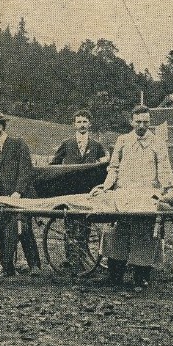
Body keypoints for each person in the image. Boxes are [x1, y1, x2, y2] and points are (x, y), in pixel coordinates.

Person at [90, 105, 173, 289]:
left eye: (146, 122)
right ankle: (115, 275)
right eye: (138, 122)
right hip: (124, 194)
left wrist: (167, 188)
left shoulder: (158, 143)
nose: (142, 126)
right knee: (116, 232)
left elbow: (165, 169)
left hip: (146, 195)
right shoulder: (123, 140)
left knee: (144, 234)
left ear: (150, 122)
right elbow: (113, 168)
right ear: (131, 121)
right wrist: (106, 186)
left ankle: (141, 277)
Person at [0, 113, 42, 276]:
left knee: (22, 229)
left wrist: (18, 192)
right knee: (2, 232)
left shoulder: (18, 144)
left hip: (20, 197)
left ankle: (34, 265)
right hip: (1, 199)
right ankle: (7, 268)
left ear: (0, 127)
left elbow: (26, 170)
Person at [50, 109, 109, 271]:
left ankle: (82, 259)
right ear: (74, 124)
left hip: (88, 192)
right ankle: (70, 260)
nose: (82, 125)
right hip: (69, 191)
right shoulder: (67, 144)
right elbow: (54, 166)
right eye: (79, 122)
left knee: (85, 225)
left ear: (89, 124)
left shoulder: (96, 146)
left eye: (85, 122)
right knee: (69, 225)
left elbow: (105, 166)